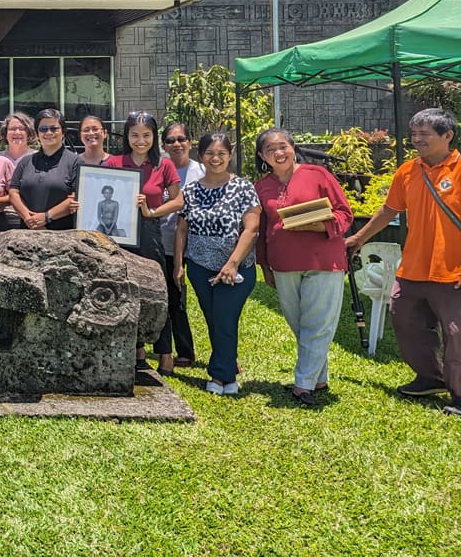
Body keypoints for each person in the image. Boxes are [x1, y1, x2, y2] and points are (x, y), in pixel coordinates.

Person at [345, 108, 461, 417]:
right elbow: (388, 211)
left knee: (456, 332)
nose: (417, 139)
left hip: (453, 270)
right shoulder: (408, 171)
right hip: (413, 268)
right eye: (414, 134)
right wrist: (360, 238)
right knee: (404, 318)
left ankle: (459, 393)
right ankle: (429, 378)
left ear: (447, 136)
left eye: (425, 134)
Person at [255, 127, 354, 407]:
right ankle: (318, 377)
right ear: (262, 156)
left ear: (293, 147)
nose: (278, 152)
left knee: (318, 323)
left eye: (283, 146)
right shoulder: (261, 187)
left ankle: (303, 384)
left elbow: (345, 213)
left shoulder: (317, 174)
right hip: (284, 264)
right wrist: (264, 265)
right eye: (270, 149)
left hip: (323, 260)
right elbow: (261, 230)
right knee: (299, 323)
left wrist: (319, 224)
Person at [175, 133, 260, 395]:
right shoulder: (190, 190)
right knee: (214, 319)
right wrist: (179, 265)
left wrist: (232, 264)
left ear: (229, 155)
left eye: (221, 153)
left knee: (224, 318)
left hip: (237, 269)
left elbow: (252, 229)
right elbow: (181, 229)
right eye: (210, 153)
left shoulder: (243, 187)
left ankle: (221, 376)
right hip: (200, 267)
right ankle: (228, 366)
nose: (215, 158)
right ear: (201, 156)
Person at [106, 111, 184, 374]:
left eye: (146, 135)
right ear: (127, 136)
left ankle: (165, 352)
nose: (140, 141)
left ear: (154, 137)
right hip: (119, 235)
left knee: (158, 291)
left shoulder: (164, 165)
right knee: (128, 291)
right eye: (134, 135)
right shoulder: (114, 163)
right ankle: (137, 351)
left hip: (150, 232)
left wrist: (152, 211)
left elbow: (178, 201)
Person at [160, 120, 203, 369]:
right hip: (166, 245)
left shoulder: (202, 171)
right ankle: (184, 352)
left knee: (211, 304)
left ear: (190, 142)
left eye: (181, 139)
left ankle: (226, 355)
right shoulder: (159, 169)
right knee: (174, 300)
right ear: (164, 146)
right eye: (170, 140)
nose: (176, 144)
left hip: (198, 247)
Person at [9, 108, 82, 231]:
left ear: (63, 132)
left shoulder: (76, 162)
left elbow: (75, 198)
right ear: (37, 134)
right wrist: (29, 219)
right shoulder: (25, 162)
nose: (48, 132)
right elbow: (13, 193)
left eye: (54, 128)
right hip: (26, 233)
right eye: (43, 129)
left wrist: (46, 217)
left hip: (63, 236)